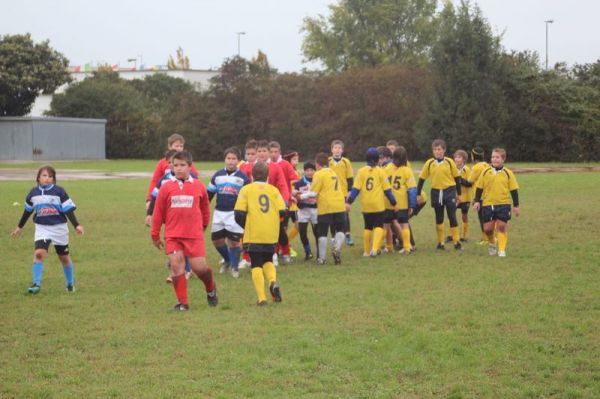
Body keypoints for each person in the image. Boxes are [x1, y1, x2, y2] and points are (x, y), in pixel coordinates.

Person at [151, 151, 218, 311]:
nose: (179, 169)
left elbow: (205, 209)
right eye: (176, 165)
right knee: (176, 265)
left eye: (182, 165)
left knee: (199, 268)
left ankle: (210, 287)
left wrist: (203, 226)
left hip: (193, 234)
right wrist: (155, 233)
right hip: (173, 235)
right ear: (171, 167)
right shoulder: (166, 187)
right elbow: (158, 212)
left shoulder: (198, 185)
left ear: (190, 167)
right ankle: (183, 303)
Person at [11, 166, 84, 294]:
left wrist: (76, 225)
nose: (47, 179)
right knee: (39, 253)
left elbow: (68, 210)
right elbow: (27, 211)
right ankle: (36, 284)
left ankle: (70, 284)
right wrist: (19, 227)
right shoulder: (33, 193)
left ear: (53, 179)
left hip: (59, 228)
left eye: (50, 176)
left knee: (64, 257)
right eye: (44, 176)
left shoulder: (59, 191)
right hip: (42, 228)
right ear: (38, 177)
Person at [234, 161, 285, 305]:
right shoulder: (273, 190)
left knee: (256, 264)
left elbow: (238, 213)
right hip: (270, 233)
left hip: (254, 233)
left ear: (251, 176)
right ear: (268, 176)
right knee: (268, 260)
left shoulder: (246, 190)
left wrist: (245, 226)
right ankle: (273, 282)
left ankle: (262, 298)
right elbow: (283, 211)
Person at [145, 149, 193, 283]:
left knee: (184, 244)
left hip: (188, 218)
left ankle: (185, 270)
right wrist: (149, 214)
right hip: (171, 218)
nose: (174, 166)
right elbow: (155, 196)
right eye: (172, 163)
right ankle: (178, 269)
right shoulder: (164, 180)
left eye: (179, 164)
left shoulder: (192, 178)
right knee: (173, 243)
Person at [207, 147, 250, 278]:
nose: (231, 161)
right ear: (225, 159)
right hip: (219, 213)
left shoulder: (243, 178)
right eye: (228, 158)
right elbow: (209, 194)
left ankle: (235, 268)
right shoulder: (217, 175)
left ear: (238, 161)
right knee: (216, 240)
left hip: (235, 214)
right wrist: (200, 209)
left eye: (234, 159)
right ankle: (227, 260)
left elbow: (248, 197)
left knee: (234, 242)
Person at [346, 147, 398, 257]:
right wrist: (394, 203)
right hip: (378, 205)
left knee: (368, 226)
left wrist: (349, 202)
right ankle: (374, 249)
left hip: (366, 205)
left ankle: (366, 251)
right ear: (377, 159)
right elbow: (387, 190)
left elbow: (355, 190)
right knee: (379, 226)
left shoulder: (361, 171)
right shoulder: (381, 172)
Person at [473, 148, 520, 257]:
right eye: (493, 157)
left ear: (503, 159)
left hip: (504, 204)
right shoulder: (485, 172)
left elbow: (514, 190)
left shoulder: (508, 173)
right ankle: (492, 242)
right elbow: (479, 188)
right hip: (488, 204)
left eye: (497, 157)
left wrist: (516, 205)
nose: (495, 159)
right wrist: (477, 201)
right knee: (488, 229)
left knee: (502, 226)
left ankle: (502, 250)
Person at [301, 152, 347, 265]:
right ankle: (336, 248)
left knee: (322, 232)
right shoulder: (333, 172)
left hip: (327, 205)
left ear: (317, 164)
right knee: (340, 229)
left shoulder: (319, 174)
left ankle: (322, 258)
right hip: (340, 204)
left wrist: (300, 196)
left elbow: (313, 193)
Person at [256, 140, 289, 265]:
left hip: (273, 206)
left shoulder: (276, 167)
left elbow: (282, 186)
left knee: (278, 230)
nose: (261, 154)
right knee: (256, 231)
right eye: (259, 151)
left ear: (269, 153)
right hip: (256, 206)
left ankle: (283, 252)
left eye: (264, 151)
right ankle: (248, 257)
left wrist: (284, 201)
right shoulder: (253, 166)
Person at [145, 133, 198, 207]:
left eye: (181, 146)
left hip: (183, 199)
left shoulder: (188, 162)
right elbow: (155, 181)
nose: (179, 148)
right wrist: (149, 199)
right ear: (169, 146)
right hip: (166, 197)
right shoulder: (162, 163)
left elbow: (195, 179)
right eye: (176, 146)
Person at [384, 147, 417, 254]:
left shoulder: (387, 167)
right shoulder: (407, 170)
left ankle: (389, 247)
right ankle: (407, 247)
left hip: (388, 202)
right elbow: (412, 189)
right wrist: (412, 205)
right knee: (404, 224)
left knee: (387, 225)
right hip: (402, 203)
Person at [329, 140, 355, 246]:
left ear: (342, 150)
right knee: (330, 215)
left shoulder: (346, 162)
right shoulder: (328, 161)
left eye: (339, 148)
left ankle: (347, 235)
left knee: (345, 215)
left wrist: (349, 191)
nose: (337, 150)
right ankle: (333, 236)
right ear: (331, 150)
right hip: (330, 193)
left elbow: (350, 178)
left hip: (343, 193)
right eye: (335, 148)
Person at [293, 161, 319, 260]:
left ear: (315, 171)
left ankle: (319, 253)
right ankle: (308, 252)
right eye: (307, 170)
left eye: (312, 170)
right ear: (304, 171)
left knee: (317, 232)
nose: (309, 172)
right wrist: (298, 199)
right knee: (302, 232)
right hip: (303, 211)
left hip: (315, 210)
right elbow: (295, 196)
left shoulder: (318, 181)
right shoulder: (299, 183)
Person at [468, 146, 491, 245]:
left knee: (482, 218)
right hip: (488, 195)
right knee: (488, 217)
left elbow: (469, 182)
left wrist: (458, 178)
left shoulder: (476, 167)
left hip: (480, 197)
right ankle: (490, 237)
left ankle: (486, 239)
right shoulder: (487, 165)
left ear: (474, 156)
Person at [283, 151, 301, 258]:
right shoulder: (285, 172)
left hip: (295, 206)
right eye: (294, 159)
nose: (297, 161)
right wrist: (290, 195)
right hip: (287, 204)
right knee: (283, 229)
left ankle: (287, 243)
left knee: (299, 225)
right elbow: (284, 186)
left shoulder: (296, 172)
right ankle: (283, 247)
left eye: (297, 159)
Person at [453, 149, 472, 242]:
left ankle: (464, 236)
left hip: (465, 197)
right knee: (451, 214)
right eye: (456, 157)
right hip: (455, 197)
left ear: (464, 159)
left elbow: (469, 183)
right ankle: (451, 235)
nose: (457, 159)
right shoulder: (452, 168)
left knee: (464, 215)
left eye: (459, 157)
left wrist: (459, 180)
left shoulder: (467, 169)